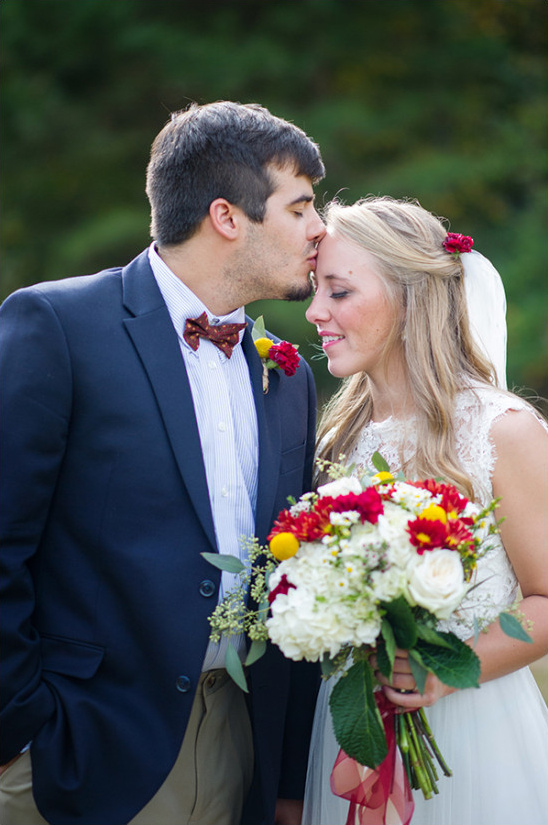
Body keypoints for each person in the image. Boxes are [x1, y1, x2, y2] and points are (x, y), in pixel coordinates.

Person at [0, 101, 326, 825]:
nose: (319, 229)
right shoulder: (57, 327)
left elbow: (296, 575)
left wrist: (286, 772)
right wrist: (17, 733)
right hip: (75, 750)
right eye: (301, 207)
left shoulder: (288, 376)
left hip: (237, 748)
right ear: (227, 216)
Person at [301, 196, 548, 825]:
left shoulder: (503, 431)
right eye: (314, 290)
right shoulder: (337, 439)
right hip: (353, 726)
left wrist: (442, 676)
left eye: (338, 292)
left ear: (410, 298)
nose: (314, 312)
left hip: (475, 732)